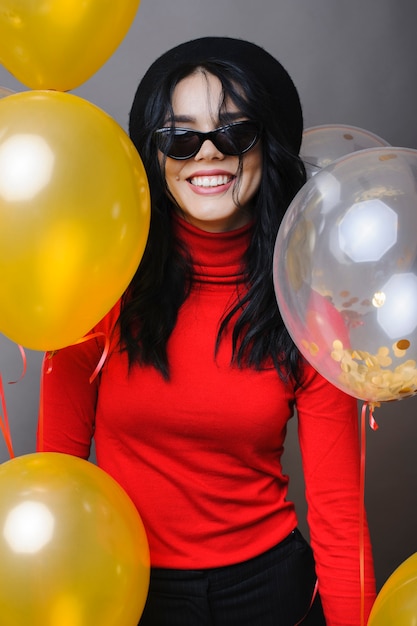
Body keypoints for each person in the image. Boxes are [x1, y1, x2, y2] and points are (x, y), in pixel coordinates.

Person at [38, 37, 376, 625]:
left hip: (269, 594)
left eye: (234, 132)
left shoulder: (309, 308)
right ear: (157, 153)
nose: (208, 154)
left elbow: (339, 519)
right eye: (181, 136)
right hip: (125, 586)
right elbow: (53, 480)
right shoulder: (100, 289)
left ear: (265, 146)